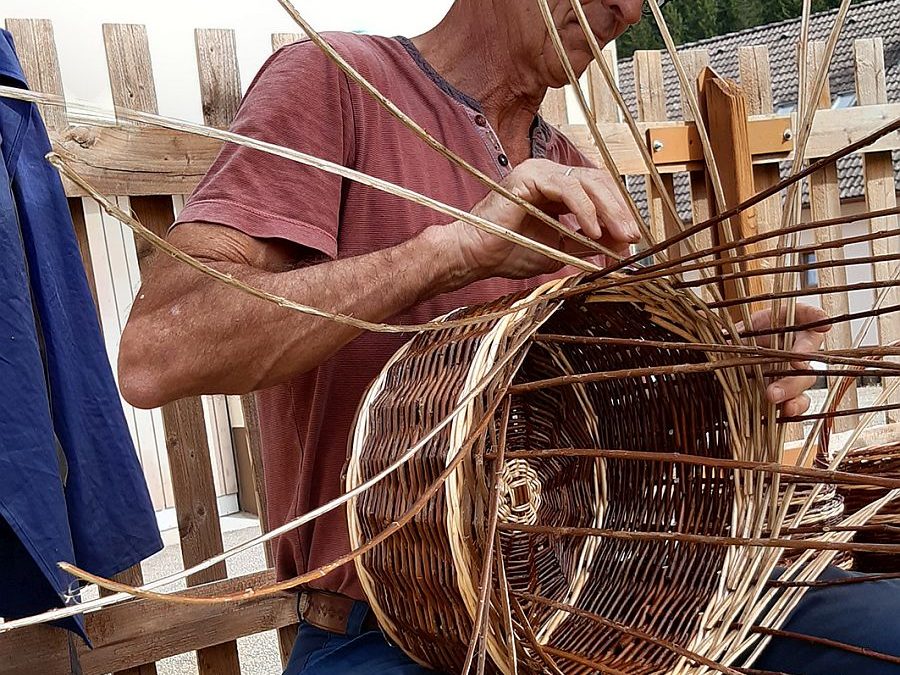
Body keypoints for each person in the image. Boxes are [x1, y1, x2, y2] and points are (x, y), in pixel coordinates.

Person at [118, 1, 898, 673]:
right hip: (386, 632)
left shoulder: (576, 174)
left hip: (589, 617)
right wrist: (452, 251)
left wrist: (729, 383)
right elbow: (157, 353)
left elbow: (614, 443)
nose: (625, 9)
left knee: (882, 626)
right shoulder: (336, 85)